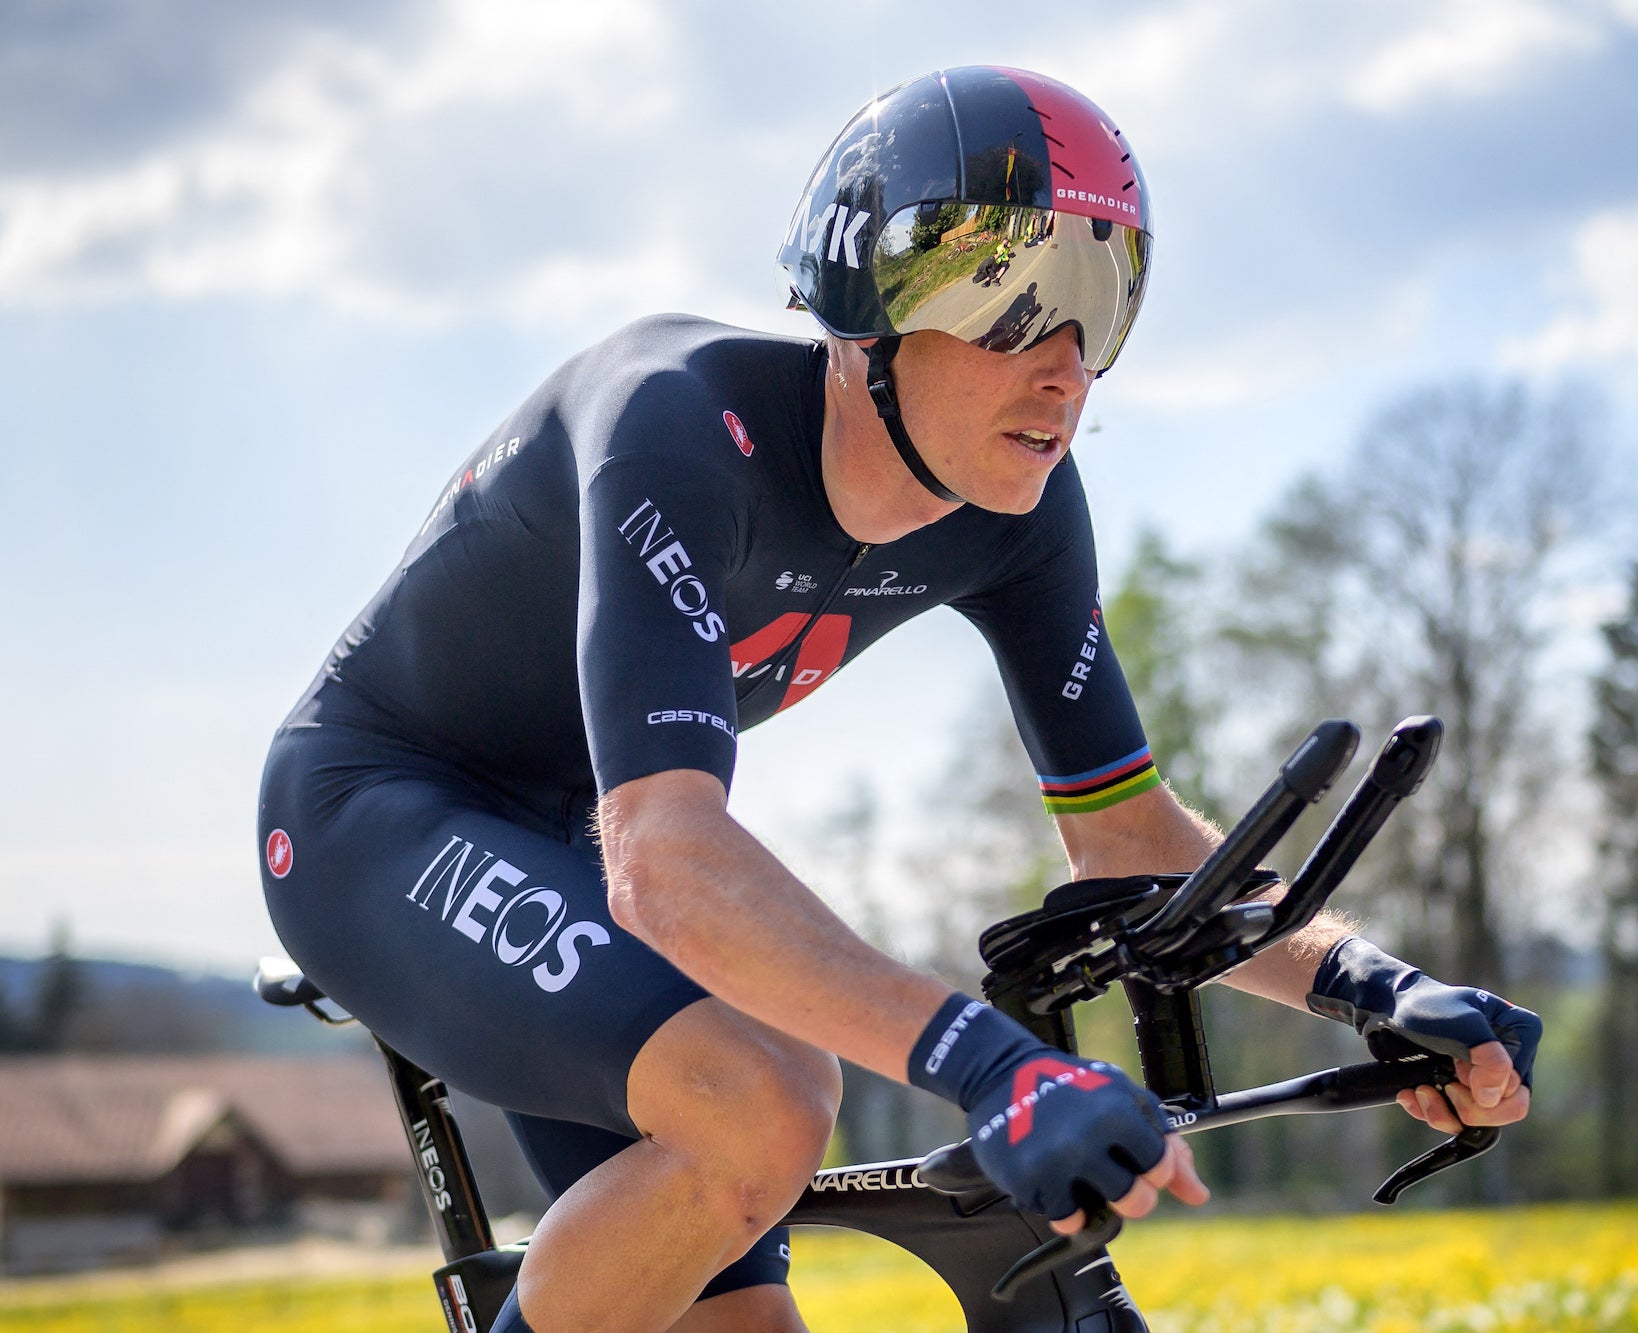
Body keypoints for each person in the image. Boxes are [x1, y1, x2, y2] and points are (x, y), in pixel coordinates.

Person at [256, 66, 1538, 1333]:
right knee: (766, 1096)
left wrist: (1371, 985)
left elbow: (1128, 840)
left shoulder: (1018, 517)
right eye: (1015, 300)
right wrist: (997, 1069)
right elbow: (666, 858)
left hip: (574, 849)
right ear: (867, 302)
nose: (1066, 367)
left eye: (1103, 302)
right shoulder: (674, 429)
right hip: (373, 815)